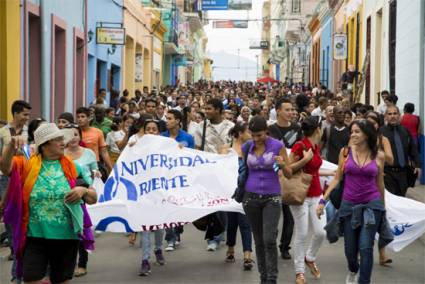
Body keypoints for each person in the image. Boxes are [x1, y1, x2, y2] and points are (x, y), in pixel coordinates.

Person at [0, 123, 97, 284]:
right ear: (44, 145)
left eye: (62, 139)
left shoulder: (73, 167)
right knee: (31, 278)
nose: (63, 143)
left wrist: (83, 191)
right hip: (34, 236)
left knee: (60, 280)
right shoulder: (27, 165)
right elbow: (5, 168)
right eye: (57, 139)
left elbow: (93, 198)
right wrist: (11, 146)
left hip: (65, 236)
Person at [317, 120, 388, 284]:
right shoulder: (345, 153)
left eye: (357, 131)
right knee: (350, 250)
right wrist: (322, 200)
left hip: (372, 206)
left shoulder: (379, 155)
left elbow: (380, 183)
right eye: (352, 131)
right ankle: (353, 269)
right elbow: (336, 179)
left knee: (365, 247)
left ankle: (364, 281)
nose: (353, 135)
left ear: (366, 134)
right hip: (349, 205)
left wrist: (383, 208)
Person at [242, 116, 292, 284]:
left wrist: (283, 164)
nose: (256, 139)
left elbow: (289, 174)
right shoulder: (247, 146)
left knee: (269, 239)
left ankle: (272, 278)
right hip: (251, 198)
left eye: (259, 135)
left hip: (272, 197)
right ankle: (263, 278)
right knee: (259, 241)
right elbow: (243, 170)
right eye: (253, 135)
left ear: (267, 132)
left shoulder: (278, 146)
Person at [288, 116, 326, 284]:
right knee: (302, 233)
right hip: (300, 196)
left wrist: (331, 173)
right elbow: (286, 169)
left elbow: (315, 169)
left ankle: (309, 257)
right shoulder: (299, 145)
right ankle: (299, 272)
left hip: (317, 193)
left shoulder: (316, 146)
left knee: (321, 232)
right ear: (318, 129)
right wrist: (304, 159)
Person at [193, 98, 235, 251]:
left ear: (218, 109)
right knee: (211, 204)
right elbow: (197, 148)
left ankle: (221, 231)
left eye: (209, 108)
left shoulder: (231, 126)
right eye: (205, 108)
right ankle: (214, 237)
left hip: (226, 170)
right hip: (207, 171)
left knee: (224, 202)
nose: (206, 111)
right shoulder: (200, 127)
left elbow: (235, 146)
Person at [62, 124, 99, 278]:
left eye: (76, 134)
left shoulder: (89, 153)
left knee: (82, 229)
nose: (73, 138)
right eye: (70, 135)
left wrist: (96, 175)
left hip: (85, 193)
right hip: (65, 195)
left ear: (80, 136)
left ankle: (82, 263)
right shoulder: (60, 154)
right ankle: (66, 264)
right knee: (68, 231)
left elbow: (95, 169)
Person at [267, 97, 302, 260]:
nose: (291, 113)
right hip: (273, 176)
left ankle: (285, 246)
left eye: (292, 110)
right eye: (287, 110)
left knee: (290, 214)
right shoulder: (270, 130)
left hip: (291, 174)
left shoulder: (297, 129)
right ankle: (271, 244)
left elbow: (300, 149)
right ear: (278, 111)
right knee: (273, 212)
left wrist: (290, 166)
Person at [161, 109, 194, 251]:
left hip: (181, 179)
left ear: (178, 121)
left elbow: (192, 158)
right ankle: (170, 238)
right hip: (166, 179)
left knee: (178, 207)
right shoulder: (162, 137)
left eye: (169, 119)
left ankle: (178, 230)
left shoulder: (188, 137)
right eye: (166, 118)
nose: (166, 121)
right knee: (167, 207)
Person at [138, 119, 165, 276]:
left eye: (154, 129)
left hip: (160, 194)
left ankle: (158, 249)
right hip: (144, 194)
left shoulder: (165, 147)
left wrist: (179, 147)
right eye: (148, 129)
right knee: (146, 228)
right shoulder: (137, 148)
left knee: (159, 227)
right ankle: (145, 260)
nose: (151, 132)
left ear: (158, 132)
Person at [225, 122, 253, 271]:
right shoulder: (226, 149)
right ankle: (230, 249)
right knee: (231, 222)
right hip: (230, 192)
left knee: (245, 222)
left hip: (246, 191)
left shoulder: (251, 150)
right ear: (241, 133)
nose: (251, 134)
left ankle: (247, 255)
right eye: (249, 131)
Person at [381, 106, 421, 196]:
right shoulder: (381, 132)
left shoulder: (405, 131)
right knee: (391, 200)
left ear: (399, 115)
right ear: (386, 116)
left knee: (401, 198)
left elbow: (413, 149)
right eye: (390, 114)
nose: (392, 116)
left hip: (403, 172)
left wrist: (418, 165)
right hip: (387, 173)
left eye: (395, 113)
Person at [76, 107, 113, 177]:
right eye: (78, 117)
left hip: (94, 166)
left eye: (82, 116)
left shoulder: (98, 132)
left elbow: (104, 152)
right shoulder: (73, 133)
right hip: (78, 166)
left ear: (89, 118)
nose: (80, 119)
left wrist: (110, 168)